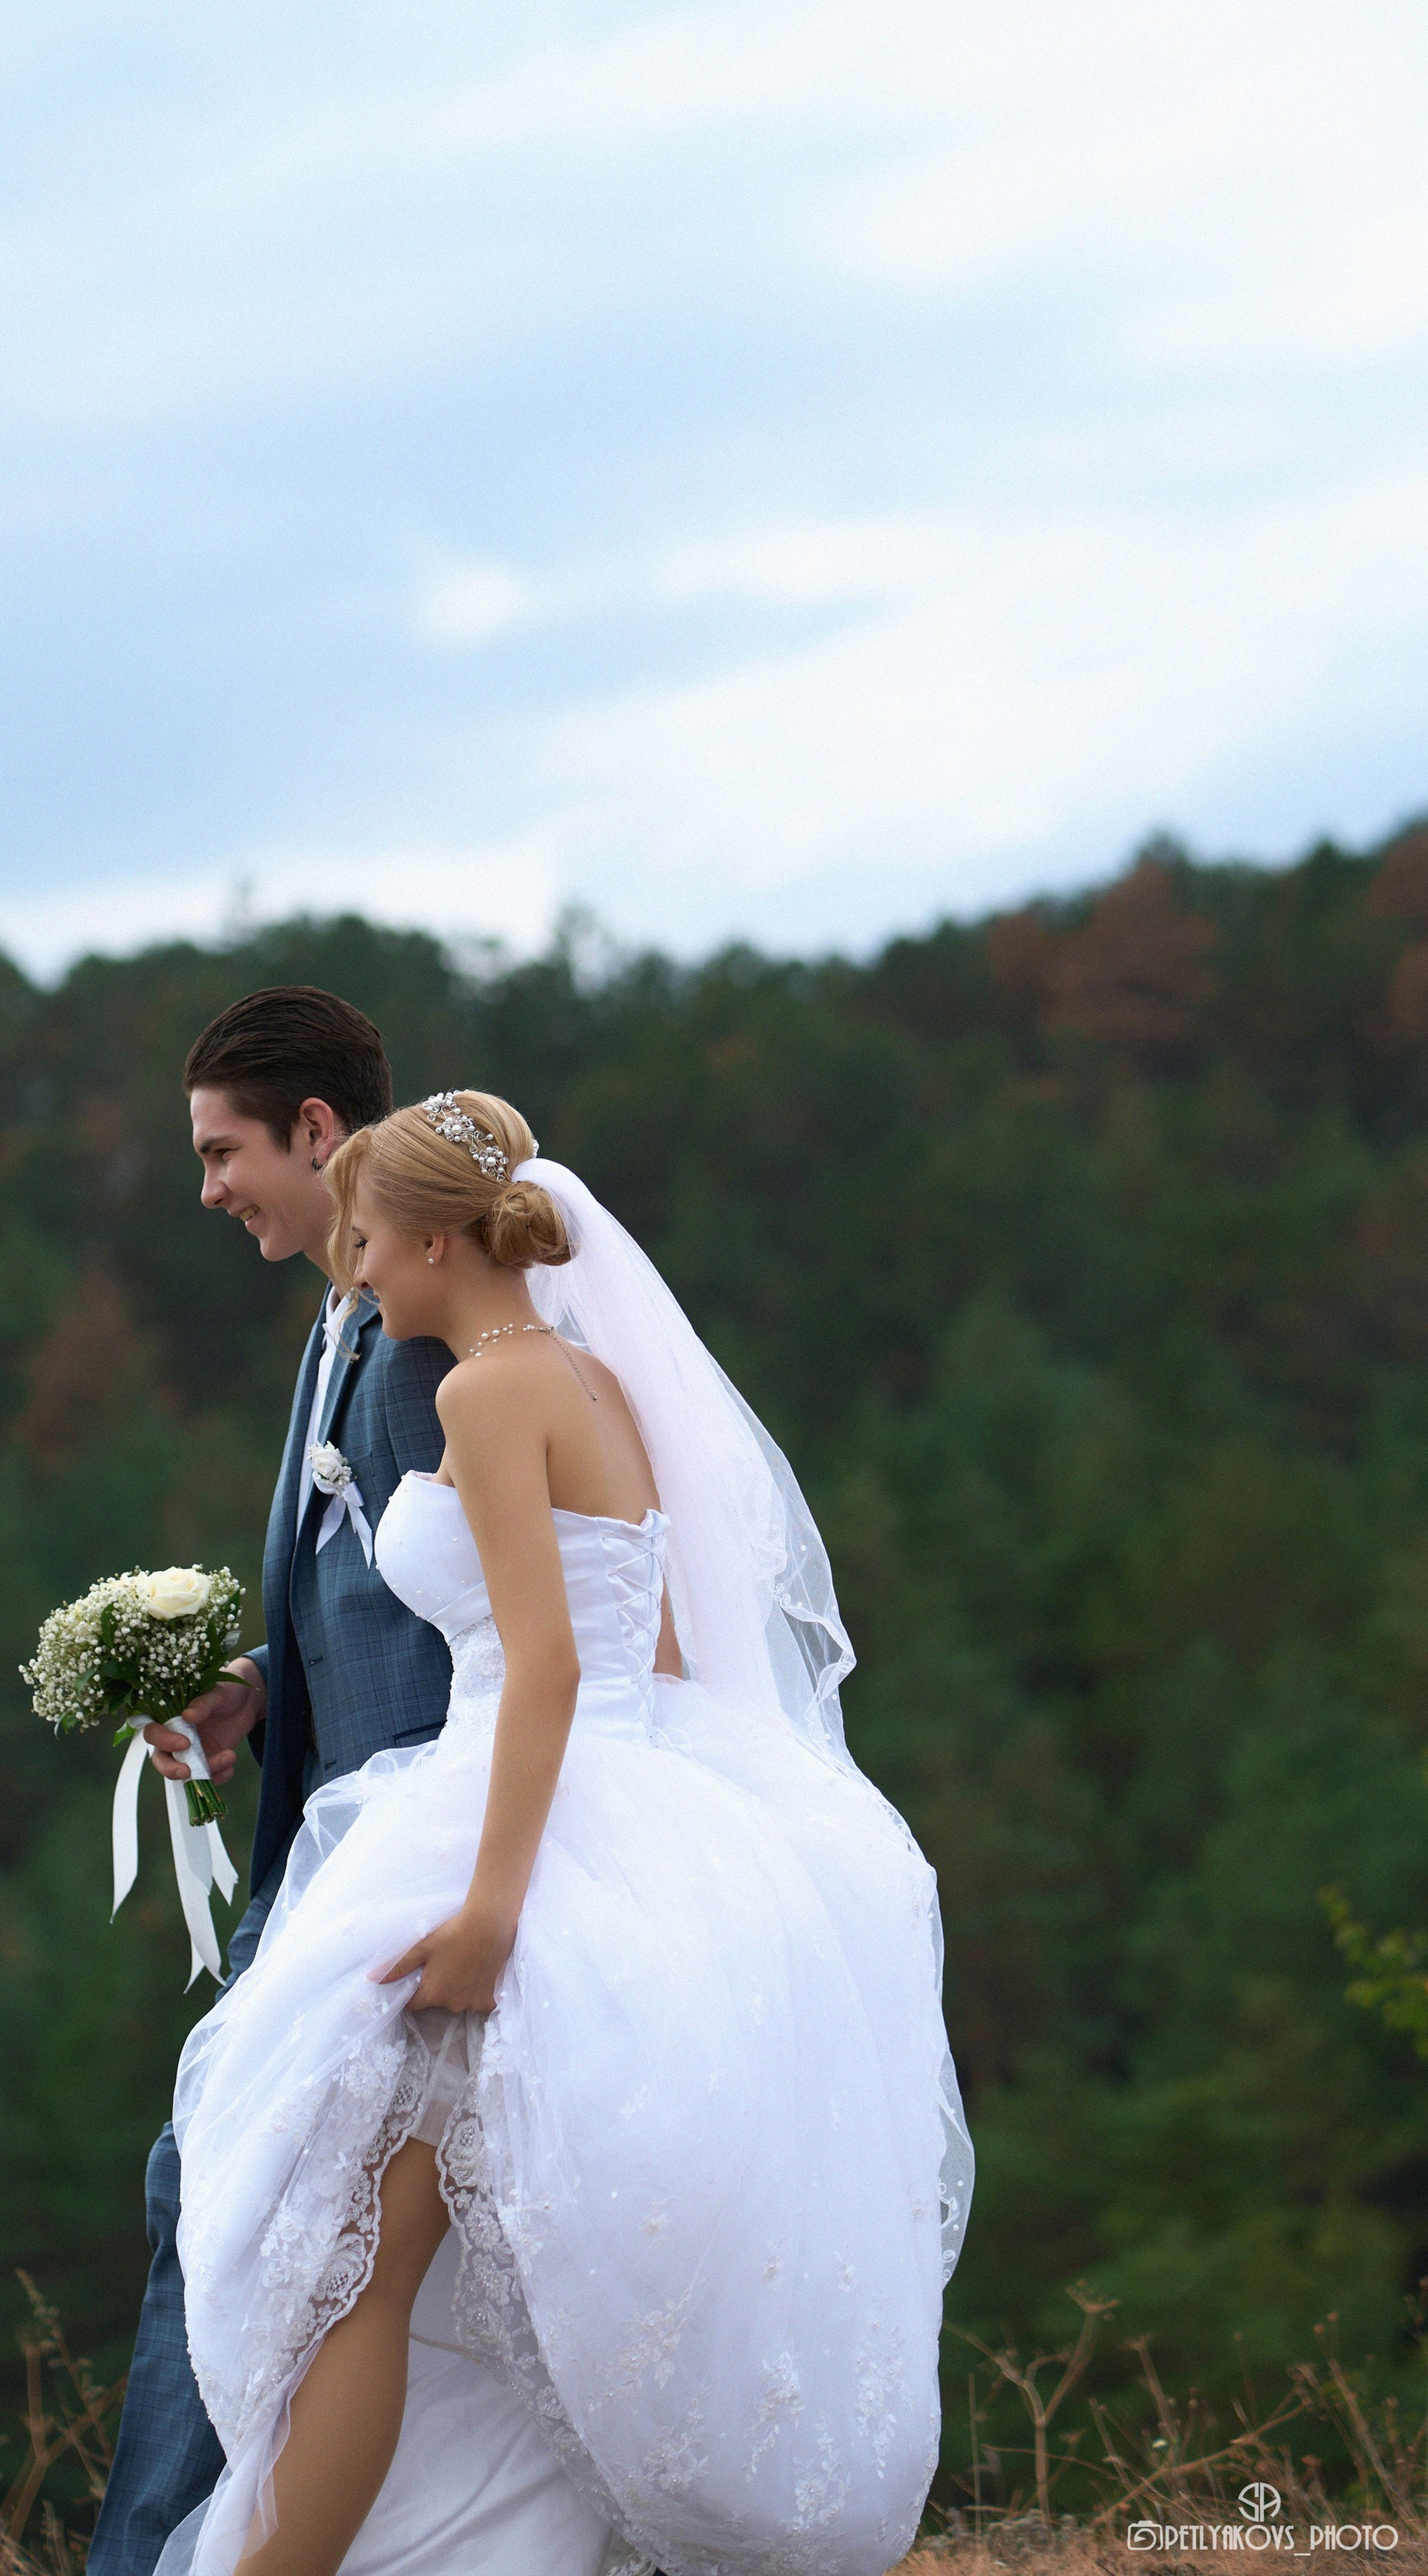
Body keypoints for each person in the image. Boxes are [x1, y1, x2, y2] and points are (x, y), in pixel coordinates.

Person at [157, 1090, 976, 2576]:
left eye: (366, 1240)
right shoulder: (595, 1385)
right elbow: (650, 1647)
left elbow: (546, 1668)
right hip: (623, 1799)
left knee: (356, 2264)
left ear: (432, 1241)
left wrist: (492, 1910)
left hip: (517, 1826)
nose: (355, 1270)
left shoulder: (484, 1396)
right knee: (449, 2270)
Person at [90, 995, 585, 2576]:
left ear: (318, 1133)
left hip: (405, 1858)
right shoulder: (343, 1324)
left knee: (226, 2197)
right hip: (338, 1834)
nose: (209, 1188)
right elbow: (389, 1585)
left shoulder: (428, 1338)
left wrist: (475, 1882)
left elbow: (508, 1620)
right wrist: (252, 1689)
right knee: (266, 2216)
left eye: (223, 1151)